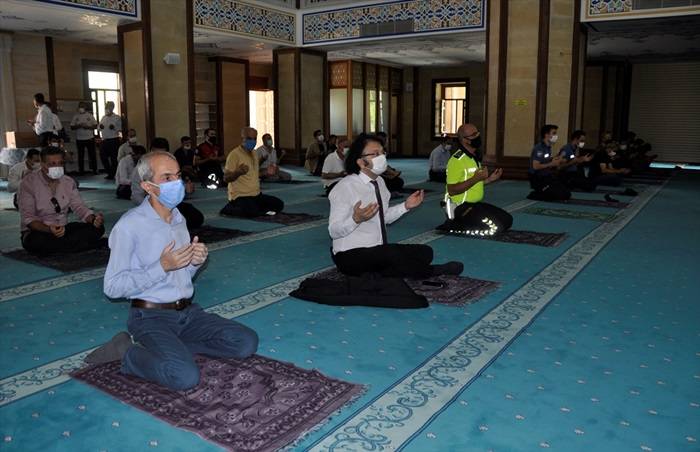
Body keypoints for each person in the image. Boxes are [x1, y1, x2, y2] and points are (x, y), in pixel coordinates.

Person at [88, 150, 259, 391]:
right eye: (167, 178)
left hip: (187, 313)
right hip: (150, 317)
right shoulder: (130, 226)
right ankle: (126, 352)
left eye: (178, 175)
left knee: (245, 342)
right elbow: (112, 287)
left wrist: (194, 261)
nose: (177, 183)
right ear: (148, 186)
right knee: (184, 377)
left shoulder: (178, 218)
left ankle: (173, 347)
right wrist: (162, 266)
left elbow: (180, 276)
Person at [329, 133, 463, 278]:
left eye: (382, 152)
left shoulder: (379, 182)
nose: (382, 157)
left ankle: (385, 271)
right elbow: (334, 231)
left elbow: (383, 217)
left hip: (377, 250)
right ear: (361, 162)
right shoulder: (345, 187)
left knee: (424, 252)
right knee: (391, 255)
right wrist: (355, 219)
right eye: (375, 154)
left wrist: (405, 206)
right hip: (349, 256)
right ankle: (431, 272)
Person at [18, 146, 105, 255]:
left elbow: (79, 207)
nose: (57, 167)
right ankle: (84, 245)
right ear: (42, 164)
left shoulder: (68, 182)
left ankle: (65, 247)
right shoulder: (28, 183)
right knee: (36, 242)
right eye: (52, 164)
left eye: (60, 163)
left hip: (63, 229)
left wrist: (93, 219)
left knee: (98, 228)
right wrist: (49, 229)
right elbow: (28, 218)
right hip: (39, 231)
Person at [438, 123, 512, 236]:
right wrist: (476, 178)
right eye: (473, 135)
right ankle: (453, 225)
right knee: (495, 228)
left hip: (475, 204)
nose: (477, 136)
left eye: (477, 133)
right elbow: (452, 190)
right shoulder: (456, 160)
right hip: (459, 207)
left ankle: (467, 221)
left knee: (507, 220)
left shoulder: (473, 156)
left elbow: (473, 183)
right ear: (465, 140)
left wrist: (489, 179)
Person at [131, 138, 204, 230]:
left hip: (171, 205)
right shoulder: (140, 170)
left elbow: (177, 190)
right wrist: (153, 209)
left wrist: (186, 189)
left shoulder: (172, 167)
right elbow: (136, 196)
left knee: (195, 217)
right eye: (156, 154)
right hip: (152, 206)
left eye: (162, 154)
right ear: (150, 152)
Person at [220, 127, 284, 218]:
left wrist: (266, 172)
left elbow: (255, 174)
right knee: (252, 211)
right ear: (242, 138)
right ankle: (229, 208)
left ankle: (258, 210)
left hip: (256, 195)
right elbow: (225, 178)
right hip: (240, 196)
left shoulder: (254, 153)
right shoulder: (234, 155)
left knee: (279, 204)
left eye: (254, 139)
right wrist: (237, 172)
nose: (253, 141)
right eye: (250, 138)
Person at [527, 124, 571, 201]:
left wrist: (557, 159)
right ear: (546, 135)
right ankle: (535, 194)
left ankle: (543, 191)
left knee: (566, 193)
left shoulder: (548, 147)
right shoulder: (539, 148)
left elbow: (546, 160)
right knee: (557, 196)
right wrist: (551, 163)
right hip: (538, 178)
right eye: (554, 133)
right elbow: (535, 166)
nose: (556, 136)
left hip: (547, 176)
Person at [69, 102, 98, 174]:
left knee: (92, 155)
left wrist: (87, 127)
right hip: (79, 139)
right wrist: (79, 126)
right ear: (78, 107)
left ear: (85, 107)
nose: (81, 108)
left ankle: (95, 170)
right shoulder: (76, 116)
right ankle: (81, 171)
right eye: (80, 107)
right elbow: (72, 127)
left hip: (90, 138)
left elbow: (95, 126)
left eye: (82, 106)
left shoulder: (90, 115)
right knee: (80, 156)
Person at [98, 101, 122, 180]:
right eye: (106, 107)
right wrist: (100, 127)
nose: (107, 108)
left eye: (109, 107)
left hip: (113, 140)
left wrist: (114, 127)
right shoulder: (103, 117)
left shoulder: (117, 117)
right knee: (102, 156)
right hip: (104, 140)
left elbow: (120, 129)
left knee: (114, 158)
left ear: (112, 108)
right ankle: (109, 172)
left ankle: (113, 174)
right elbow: (98, 128)